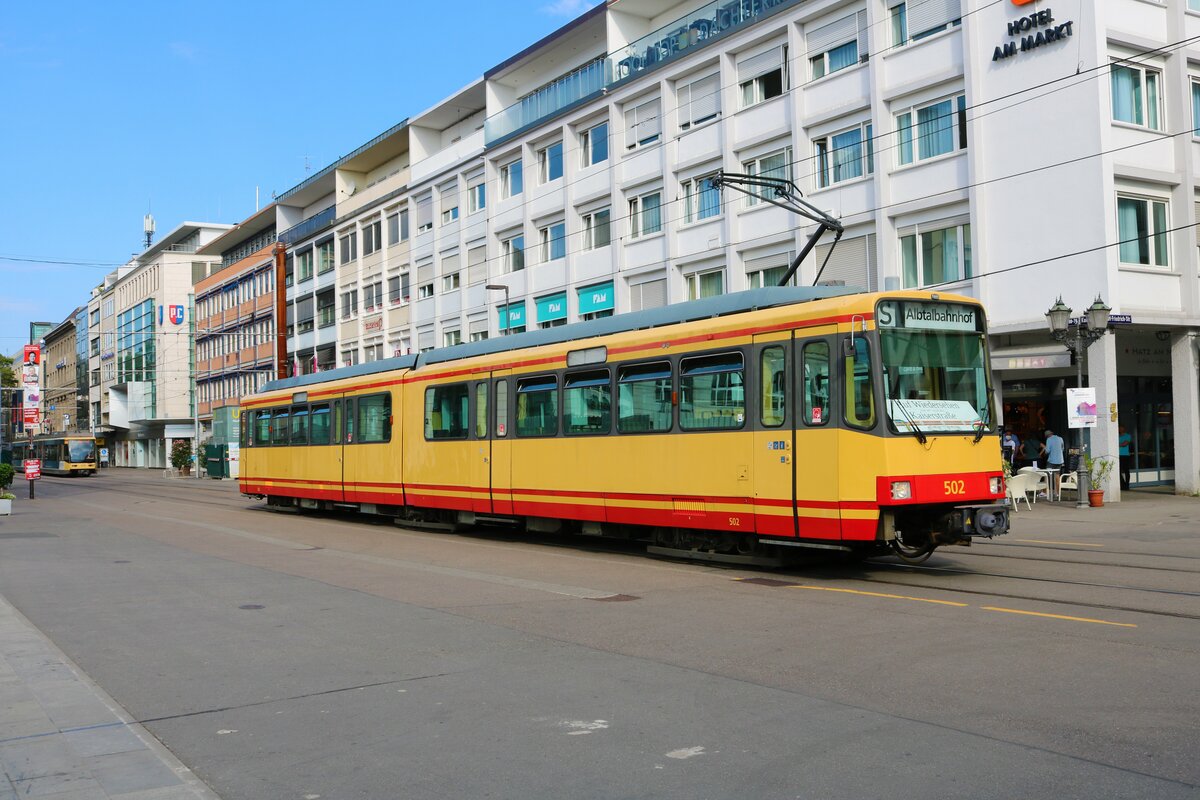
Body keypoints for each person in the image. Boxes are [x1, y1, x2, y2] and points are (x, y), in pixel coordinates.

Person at [1044, 428, 1065, 498]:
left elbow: (1047, 451)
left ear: (1047, 436)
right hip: (1060, 460)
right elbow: (1062, 449)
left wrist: (1045, 451)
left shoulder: (1049, 440)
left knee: (1046, 475)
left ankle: (1045, 492)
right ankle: (1057, 493)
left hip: (1052, 461)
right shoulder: (1060, 438)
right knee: (1057, 476)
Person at [1118, 425, 1132, 490]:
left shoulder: (1128, 436)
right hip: (1118, 456)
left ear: (1124, 429)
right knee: (1118, 471)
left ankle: (1127, 485)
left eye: (1121, 428)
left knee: (1126, 471)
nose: (1120, 429)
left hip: (1125, 456)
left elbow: (1125, 444)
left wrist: (1117, 444)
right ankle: (1123, 484)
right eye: (1119, 428)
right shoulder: (1117, 435)